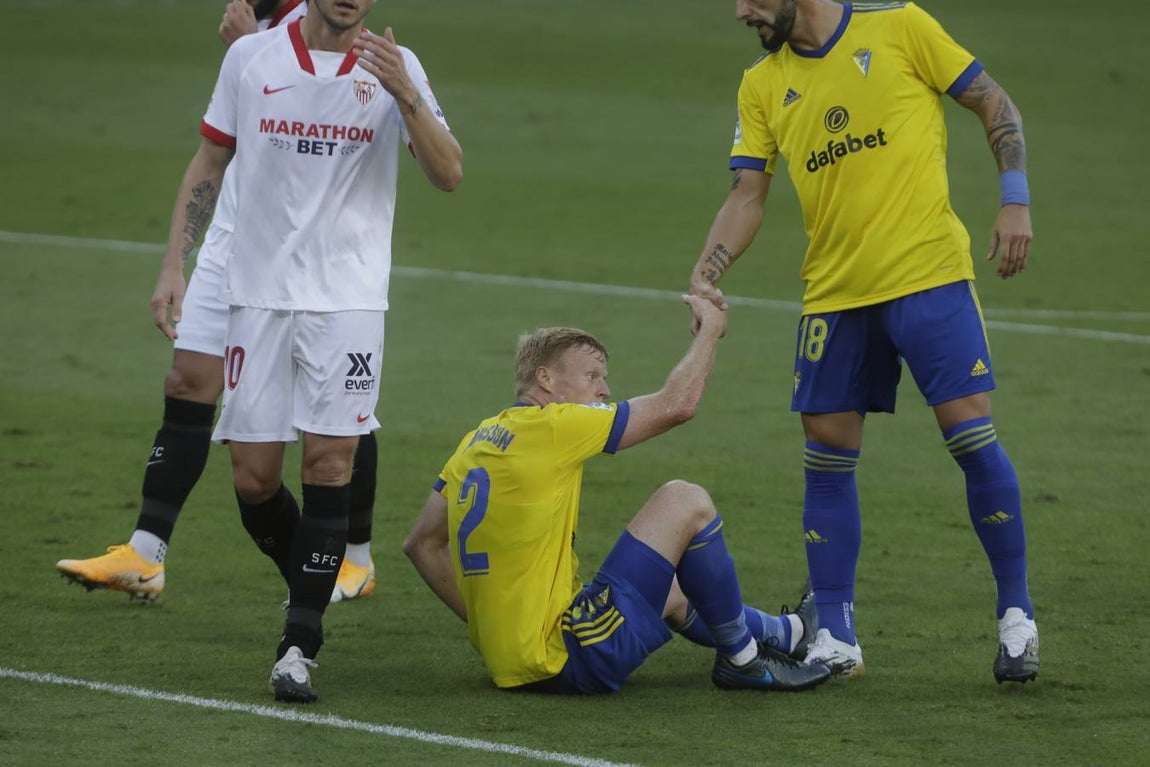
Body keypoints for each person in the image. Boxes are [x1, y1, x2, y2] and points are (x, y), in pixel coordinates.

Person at [686, 0, 1038, 684]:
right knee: (826, 456)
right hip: (835, 293)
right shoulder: (762, 82)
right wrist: (706, 271)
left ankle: (1017, 617)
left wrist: (1015, 197)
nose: (740, 10)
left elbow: (993, 101)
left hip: (929, 276)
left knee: (969, 435)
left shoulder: (902, 27)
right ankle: (837, 635)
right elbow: (747, 192)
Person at [145, 0, 460, 702]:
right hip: (256, 295)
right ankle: (312, 579)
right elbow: (210, 159)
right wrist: (177, 263)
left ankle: (299, 642)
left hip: (347, 301)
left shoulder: (395, 68)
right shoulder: (251, 58)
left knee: (329, 459)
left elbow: (449, 174)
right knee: (254, 480)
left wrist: (406, 96)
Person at [55, 0, 379, 606]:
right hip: (233, 239)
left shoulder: (335, 26)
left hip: (314, 262)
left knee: (333, 409)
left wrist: (246, 42)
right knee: (187, 380)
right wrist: (175, 262)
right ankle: (146, 554)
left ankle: (353, 558)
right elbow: (220, 143)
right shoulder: (260, 30)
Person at [403, 297, 832, 695]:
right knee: (684, 502)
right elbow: (678, 404)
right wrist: (710, 331)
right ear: (546, 379)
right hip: (562, 655)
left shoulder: (477, 439)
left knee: (672, 592)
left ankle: (791, 632)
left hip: (510, 658)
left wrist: (490, 625)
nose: (604, 389)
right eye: (592, 376)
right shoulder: (555, 425)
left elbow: (421, 543)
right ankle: (743, 661)